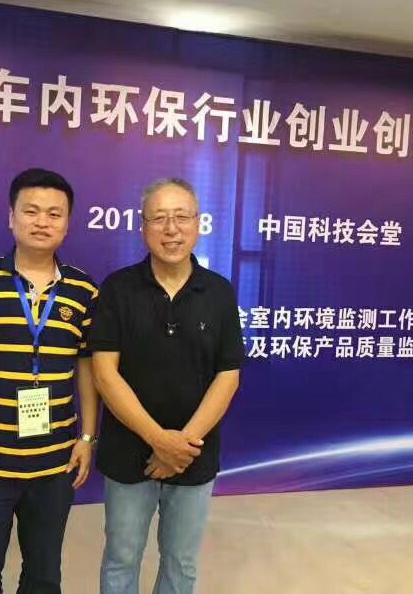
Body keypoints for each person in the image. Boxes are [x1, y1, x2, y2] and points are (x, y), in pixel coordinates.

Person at [0, 168, 99, 594]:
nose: (42, 222)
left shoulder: (83, 290)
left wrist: (87, 437)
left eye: (54, 214)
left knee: (44, 576)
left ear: (67, 223)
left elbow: (87, 367)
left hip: (54, 463)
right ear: (11, 217)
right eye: (31, 211)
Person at [89, 177, 245, 594]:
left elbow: (228, 375)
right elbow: (104, 374)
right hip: (128, 454)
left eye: (181, 217)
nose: (171, 229)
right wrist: (159, 440)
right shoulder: (118, 288)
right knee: (121, 559)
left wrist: (181, 445)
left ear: (198, 223)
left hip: (195, 454)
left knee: (181, 563)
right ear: (143, 226)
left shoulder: (219, 292)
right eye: (159, 218)